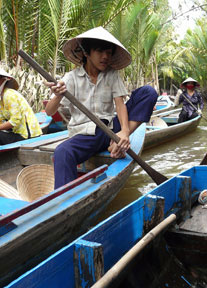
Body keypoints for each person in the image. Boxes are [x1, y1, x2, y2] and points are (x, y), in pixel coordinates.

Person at [45, 26, 158, 189]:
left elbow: (120, 105)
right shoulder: (71, 78)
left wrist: (124, 133)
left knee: (148, 92)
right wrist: (58, 95)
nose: (105, 57)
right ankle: (65, 202)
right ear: (86, 53)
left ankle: (116, 142)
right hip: (85, 135)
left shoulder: (111, 74)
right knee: (62, 152)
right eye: (100, 52)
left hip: (110, 128)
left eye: (109, 52)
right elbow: (49, 111)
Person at [0, 68, 42, 145]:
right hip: (17, 134)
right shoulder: (1, 98)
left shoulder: (9, 95)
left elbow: (15, 121)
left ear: (2, 80)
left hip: (27, 136)